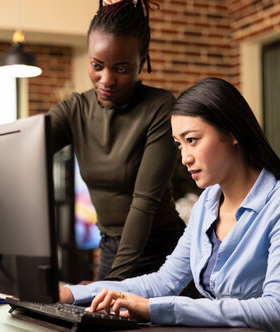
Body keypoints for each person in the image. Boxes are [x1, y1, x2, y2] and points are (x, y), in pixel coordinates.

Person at [59, 77, 280, 332]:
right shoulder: (208, 202)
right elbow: (163, 282)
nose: (185, 158)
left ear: (232, 133)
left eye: (192, 140)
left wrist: (154, 309)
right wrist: (72, 295)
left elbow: (278, 313)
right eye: (179, 144)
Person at [48, 0, 185, 281]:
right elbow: (22, 149)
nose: (106, 79)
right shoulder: (74, 110)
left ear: (142, 60)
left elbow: (144, 203)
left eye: (121, 68)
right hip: (110, 245)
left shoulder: (159, 107)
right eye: (97, 65)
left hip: (163, 251)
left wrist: (109, 286)